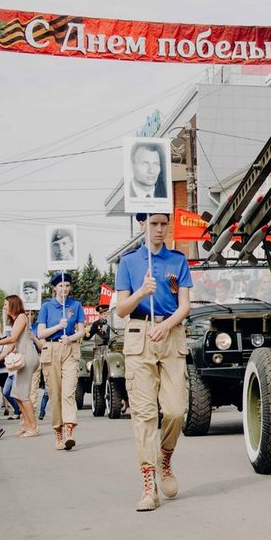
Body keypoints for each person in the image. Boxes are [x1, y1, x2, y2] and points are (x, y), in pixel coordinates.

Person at [115, 212, 192, 511]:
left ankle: (166, 456)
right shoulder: (130, 262)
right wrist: (140, 292)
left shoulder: (178, 260)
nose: (159, 229)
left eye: (164, 224)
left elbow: (184, 305)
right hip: (138, 335)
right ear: (142, 224)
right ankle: (149, 485)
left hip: (170, 334)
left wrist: (167, 324)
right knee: (145, 415)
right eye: (154, 224)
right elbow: (121, 309)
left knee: (175, 410)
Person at [37, 271, 86, 450]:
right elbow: (40, 333)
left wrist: (71, 337)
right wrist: (59, 326)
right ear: (54, 288)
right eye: (61, 286)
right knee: (55, 394)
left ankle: (69, 430)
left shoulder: (76, 305)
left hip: (70, 349)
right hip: (51, 349)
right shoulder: (47, 306)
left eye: (67, 285)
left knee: (68, 392)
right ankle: (58, 432)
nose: (64, 289)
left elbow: (81, 330)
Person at [0, 295, 42, 437]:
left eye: (5, 304)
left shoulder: (22, 317)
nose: (4, 307)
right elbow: (11, 346)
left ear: (13, 305)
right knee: (16, 394)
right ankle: (28, 425)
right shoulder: (17, 320)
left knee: (22, 394)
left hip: (28, 358)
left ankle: (33, 427)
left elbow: (13, 338)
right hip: (24, 358)